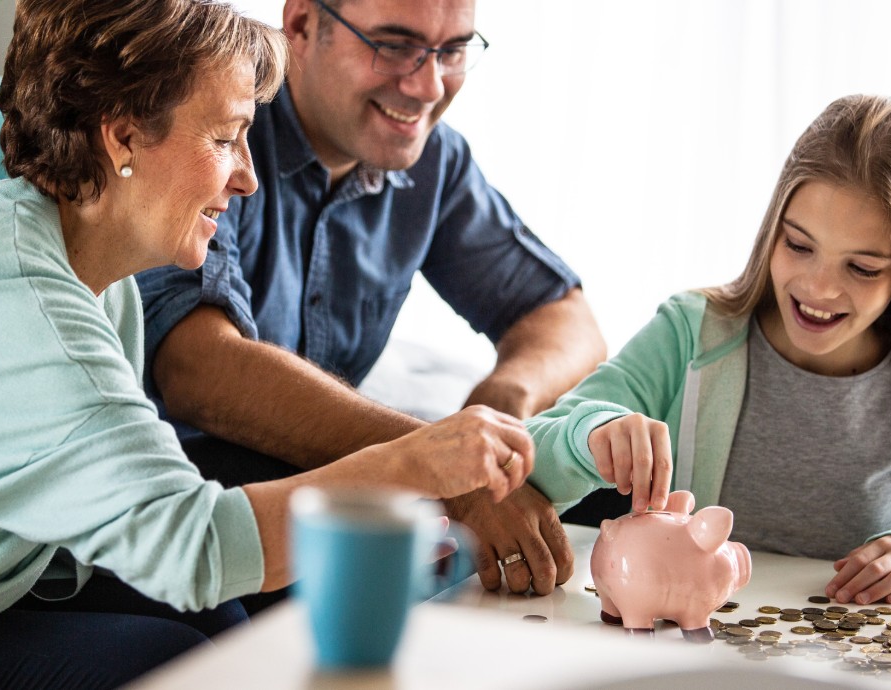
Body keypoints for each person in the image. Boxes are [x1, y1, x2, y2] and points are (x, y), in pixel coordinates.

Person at [0, 1, 538, 688]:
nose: (247, 179)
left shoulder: (79, 261)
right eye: (228, 138)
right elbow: (193, 549)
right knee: (179, 661)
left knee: (227, 633)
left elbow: (160, 529)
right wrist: (416, 463)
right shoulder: (31, 312)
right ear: (124, 134)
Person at [136, 0, 608, 599]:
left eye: (453, 50)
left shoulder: (434, 160)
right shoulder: (221, 128)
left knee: (596, 479)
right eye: (394, 44)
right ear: (303, 26)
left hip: (336, 486)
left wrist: (498, 405)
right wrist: (437, 466)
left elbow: (567, 321)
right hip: (189, 495)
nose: (429, 85)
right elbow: (198, 368)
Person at [525, 94, 891, 606]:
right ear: (773, 228)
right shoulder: (688, 334)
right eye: (798, 245)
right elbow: (529, 456)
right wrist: (589, 434)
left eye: (861, 268)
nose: (818, 289)